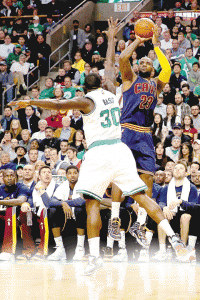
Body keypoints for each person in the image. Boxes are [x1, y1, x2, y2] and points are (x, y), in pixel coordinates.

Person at [10, 18, 194, 273]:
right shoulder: (110, 89)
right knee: (140, 194)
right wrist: (112, 39)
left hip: (101, 151)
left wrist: (32, 101)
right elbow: (111, 64)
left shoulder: (87, 100)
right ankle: (173, 240)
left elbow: (62, 105)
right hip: (121, 147)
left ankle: (95, 256)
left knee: (91, 202)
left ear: (85, 86)